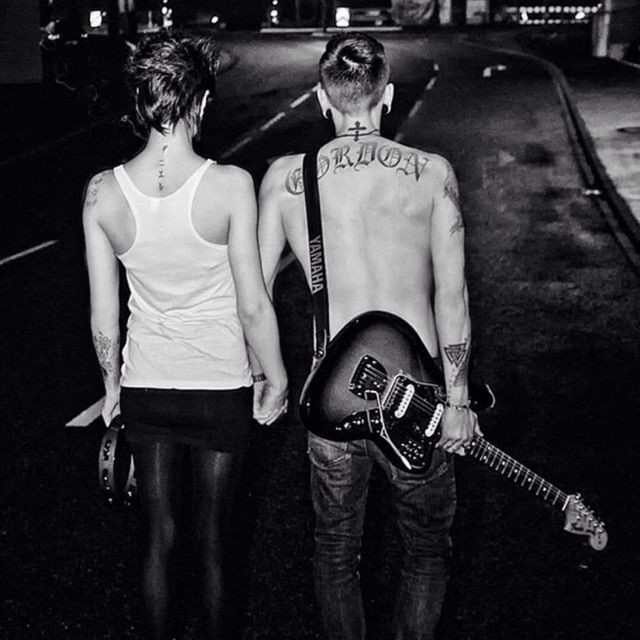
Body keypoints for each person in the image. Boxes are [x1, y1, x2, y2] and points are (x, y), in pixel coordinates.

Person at [257, 33, 479, 640]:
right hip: (420, 397)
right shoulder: (431, 174)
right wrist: (458, 402)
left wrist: (267, 377)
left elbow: (252, 294)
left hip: (333, 396)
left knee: (334, 550)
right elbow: (452, 296)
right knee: (426, 550)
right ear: (388, 96)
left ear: (321, 99)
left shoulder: (285, 179)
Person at [83, 34, 288, 639]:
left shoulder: (101, 192)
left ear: (142, 102)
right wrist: (275, 378)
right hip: (219, 388)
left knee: (158, 535)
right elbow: (252, 304)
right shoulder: (230, 185)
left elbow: (103, 314)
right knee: (215, 538)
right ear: (199, 102)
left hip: (147, 386)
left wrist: (112, 388)